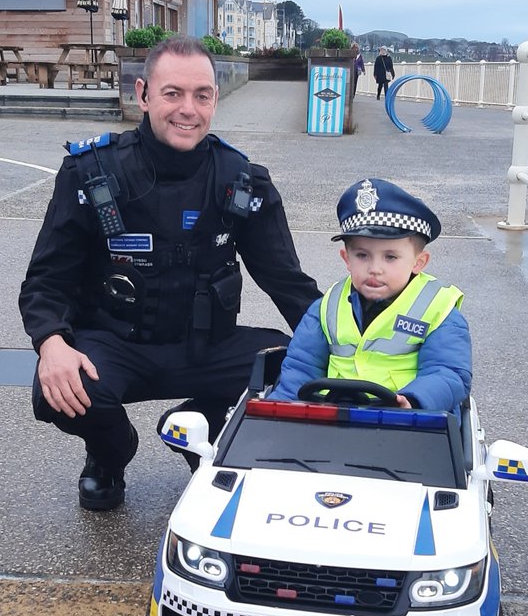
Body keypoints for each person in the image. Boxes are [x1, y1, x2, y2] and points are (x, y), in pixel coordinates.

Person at [19, 36, 321, 511]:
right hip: (118, 346)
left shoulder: (242, 180)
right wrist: (51, 343)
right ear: (143, 95)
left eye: (202, 95)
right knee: (56, 389)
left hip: (208, 348)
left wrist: (351, 345)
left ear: (215, 100)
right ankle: (108, 454)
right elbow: (47, 279)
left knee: (300, 369)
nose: (188, 109)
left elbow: (287, 281)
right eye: (172, 93)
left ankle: (199, 426)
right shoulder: (89, 173)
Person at [271, 177, 471, 413]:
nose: (375, 268)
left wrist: (415, 399)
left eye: (390, 257)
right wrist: (279, 411)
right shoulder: (325, 308)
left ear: (419, 262)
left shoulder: (439, 309)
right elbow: (301, 368)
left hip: (412, 425)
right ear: (346, 259)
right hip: (332, 420)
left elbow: (448, 373)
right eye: (362, 255)